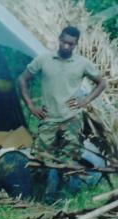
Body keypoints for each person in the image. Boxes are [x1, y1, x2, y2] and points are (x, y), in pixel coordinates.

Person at [17, 26, 107, 167]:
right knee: (40, 160)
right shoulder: (44, 59)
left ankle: (63, 186)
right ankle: (43, 186)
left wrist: (85, 100)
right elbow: (22, 79)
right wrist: (30, 106)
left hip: (71, 118)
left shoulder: (82, 63)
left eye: (70, 44)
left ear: (75, 44)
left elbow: (102, 83)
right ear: (59, 39)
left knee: (69, 160)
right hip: (48, 118)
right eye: (63, 42)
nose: (66, 46)